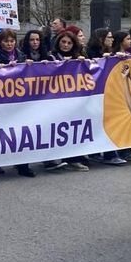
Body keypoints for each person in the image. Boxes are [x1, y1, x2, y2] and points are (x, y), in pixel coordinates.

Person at [0, 30, 36, 178]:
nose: (9, 44)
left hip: (18, 99)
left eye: (12, 41)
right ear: (0, 42)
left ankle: (23, 165)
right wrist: (3, 67)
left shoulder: (20, 54)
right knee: (0, 132)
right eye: (6, 41)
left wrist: (28, 65)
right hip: (0, 100)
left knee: (22, 131)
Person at [46, 31, 89, 171]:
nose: (66, 45)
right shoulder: (51, 56)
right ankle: (50, 160)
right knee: (52, 130)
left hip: (73, 100)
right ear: (58, 42)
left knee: (72, 129)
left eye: (69, 43)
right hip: (54, 100)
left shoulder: (79, 58)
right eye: (63, 42)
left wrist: (85, 63)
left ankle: (73, 159)